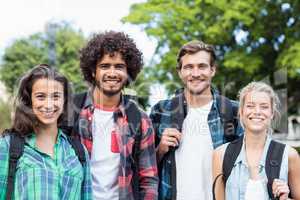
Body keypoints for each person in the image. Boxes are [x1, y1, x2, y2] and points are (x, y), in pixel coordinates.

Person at [150, 40, 244, 200]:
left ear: (212, 70)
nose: (195, 73)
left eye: (202, 66)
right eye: (188, 67)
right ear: (180, 72)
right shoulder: (161, 111)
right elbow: (144, 169)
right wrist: (160, 149)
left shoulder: (234, 111)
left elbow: (252, 164)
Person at [72, 31, 158, 200]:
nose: (112, 73)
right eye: (105, 66)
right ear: (92, 71)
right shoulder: (71, 110)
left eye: (119, 66)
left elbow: (148, 180)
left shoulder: (139, 119)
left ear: (128, 73)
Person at [0, 64, 92, 200]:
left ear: (64, 100)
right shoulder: (8, 146)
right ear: (29, 100)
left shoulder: (79, 151)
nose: (49, 105)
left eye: (56, 96)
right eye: (41, 96)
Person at [212, 81, 300, 200]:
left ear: (272, 113)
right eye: (250, 106)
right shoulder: (220, 155)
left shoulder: (289, 155)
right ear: (241, 112)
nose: (257, 111)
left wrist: (286, 199)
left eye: (264, 107)